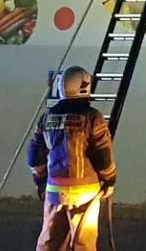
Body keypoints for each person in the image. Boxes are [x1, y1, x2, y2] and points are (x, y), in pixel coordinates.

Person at [29, 66, 116, 251]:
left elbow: (34, 156)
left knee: (50, 242)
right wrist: (109, 181)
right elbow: (103, 156)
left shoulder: (47, 117)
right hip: (85, 194)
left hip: (54, 191)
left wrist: (40, 180)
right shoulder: (92, 117)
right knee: (83, 243)